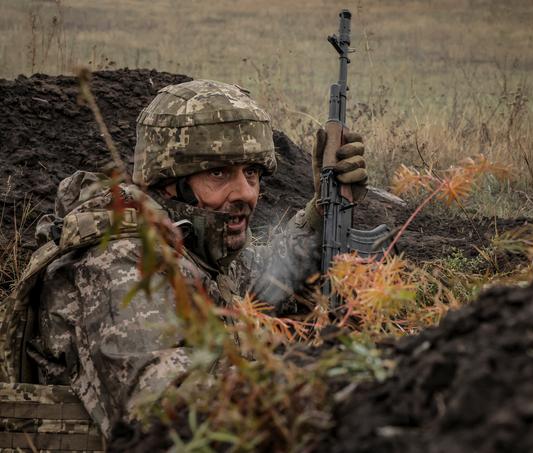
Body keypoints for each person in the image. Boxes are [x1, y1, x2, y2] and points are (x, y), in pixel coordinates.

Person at [0, 79, 368, 438]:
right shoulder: (122, 266)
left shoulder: (192, 240)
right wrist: (312, 381)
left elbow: (263, 280)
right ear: (168, 182)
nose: (245, 193)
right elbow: (169, 416)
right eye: (218, 173)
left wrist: (324, 210)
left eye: (252, 173)